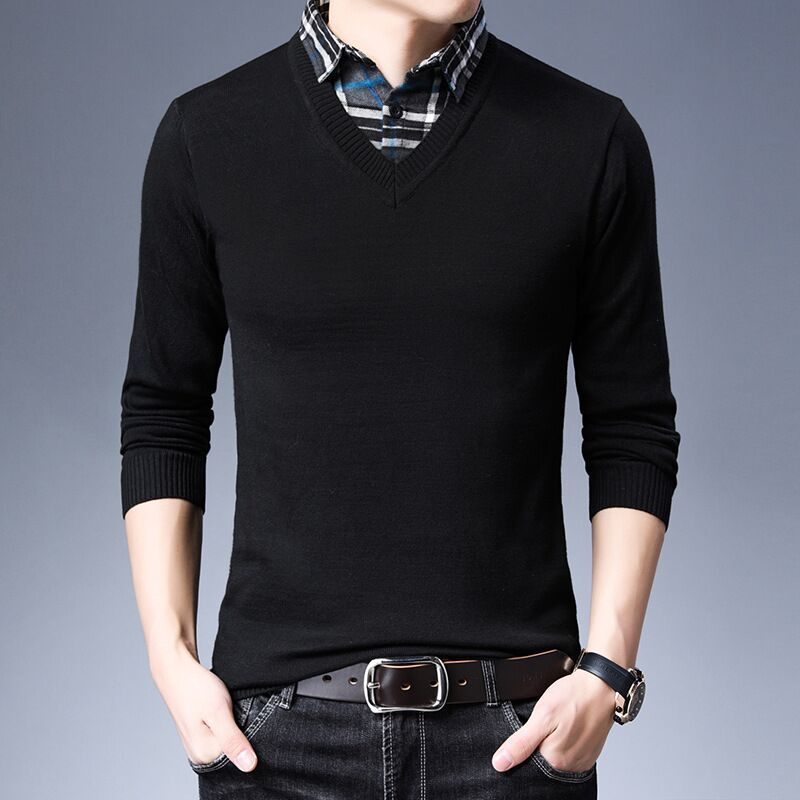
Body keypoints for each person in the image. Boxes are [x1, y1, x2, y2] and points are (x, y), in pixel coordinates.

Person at [119, 1, 681, 797]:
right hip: (278, 745)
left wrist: (608, 669)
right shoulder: (208, 136)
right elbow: (164, 413)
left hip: (515, 738)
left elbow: (631, 425)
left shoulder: (590, 139)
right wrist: (170, 660)